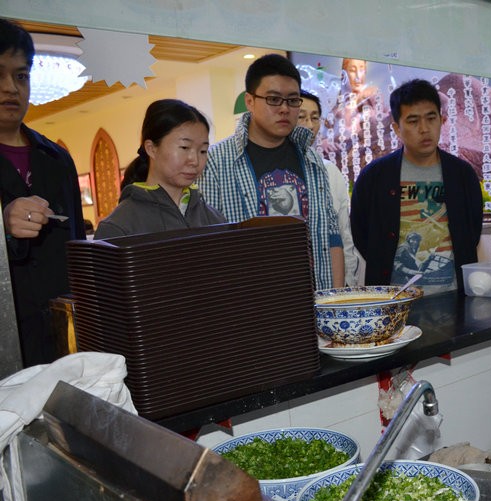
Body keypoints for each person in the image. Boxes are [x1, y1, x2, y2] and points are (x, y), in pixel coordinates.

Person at [198, 53, 344, 288]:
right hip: (253, 298)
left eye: (293, 100)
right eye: (274, 99)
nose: (284, 109)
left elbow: (331, 235)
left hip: (315, 296)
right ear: (249, 101)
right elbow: (210, 244)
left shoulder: (312, 159)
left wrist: (334, 298)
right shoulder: (216, 161)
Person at [0, 18, 86, 367]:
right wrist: (3, 225)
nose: (10, 88)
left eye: (21, 76)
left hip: (62, 341)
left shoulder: (57, 158)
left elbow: (77, 250)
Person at [350, 78, 482, 293]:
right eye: (413, 121)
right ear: (396, 128)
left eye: (431, 118)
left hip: (453, 296)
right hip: (394, 299)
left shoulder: (462, 174)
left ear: (442, 120)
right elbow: (361, 234)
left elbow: (471, 231)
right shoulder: (374, 176)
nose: (424, 129)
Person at [94, 99, 224, 240]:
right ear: (151, 149)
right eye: (184, 147)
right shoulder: (118, 227)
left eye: (203, 151)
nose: (195, 160)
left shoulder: (215, 219)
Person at [298, 90, 360, 285]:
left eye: (315, 118)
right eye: (301, 117)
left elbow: (343, 233)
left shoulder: (329, 170)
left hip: (330, 284)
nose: (310, 125)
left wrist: (349, 284)